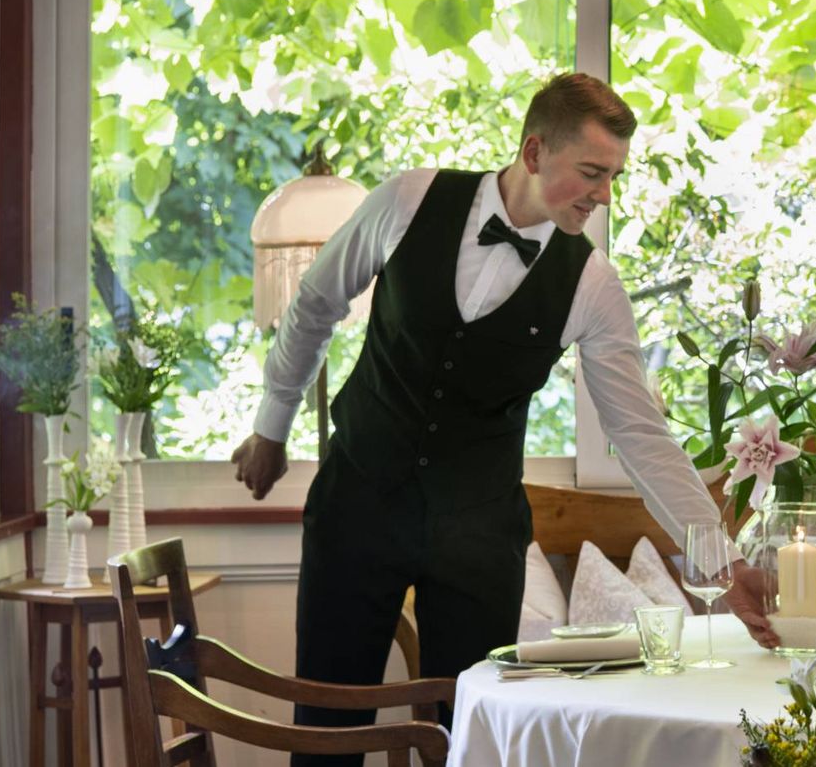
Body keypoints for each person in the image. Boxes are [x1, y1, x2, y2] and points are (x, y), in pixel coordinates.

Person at [230, 72, 776, 761]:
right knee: (325, 730)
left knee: (474, 737)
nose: (605, 195)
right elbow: (315, 303)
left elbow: (641, 435)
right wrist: (272, 426)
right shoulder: (407, 199)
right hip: (355, 504)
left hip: (478, 537)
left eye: (614, 177)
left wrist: (724, 566)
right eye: (592, 173)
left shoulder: (594, 284)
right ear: (533, 151)